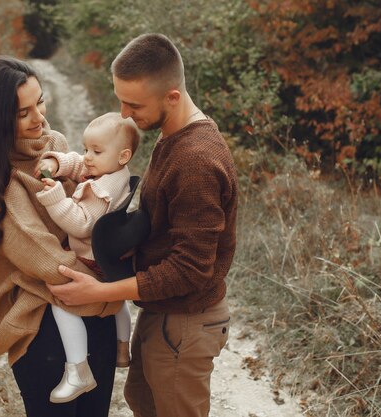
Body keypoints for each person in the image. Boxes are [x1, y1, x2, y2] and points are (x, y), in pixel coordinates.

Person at [47, 33, 238, 417]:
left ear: (172, 96)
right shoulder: (174, 137)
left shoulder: (196, 160)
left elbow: (191, 269)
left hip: (185, 323)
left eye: (134, 104)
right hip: (162, 315)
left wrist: (100, 291)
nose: (124, 113)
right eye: (120, 99)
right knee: (143, 404)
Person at [0, 56, 123, 417]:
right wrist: (113, 291)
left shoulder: (53, 144)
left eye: (39, 101)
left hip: (92, 305)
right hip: (43, 323)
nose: (38, 118)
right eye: (21, 112)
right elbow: (49, 261)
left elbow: (89, 214)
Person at [34, 112, 140, 403]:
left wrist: (56, 196)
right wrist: (57, 163)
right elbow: (78, 164)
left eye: (96, 151)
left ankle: (78, 368)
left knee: (62, 302)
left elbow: (81, 223)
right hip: (113, 259)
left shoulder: (100, 189)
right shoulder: (114, 172)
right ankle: (122, 347)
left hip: (93, 258)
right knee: (118, 305)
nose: (87, 157)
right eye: (85, 148)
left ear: (123, 155)